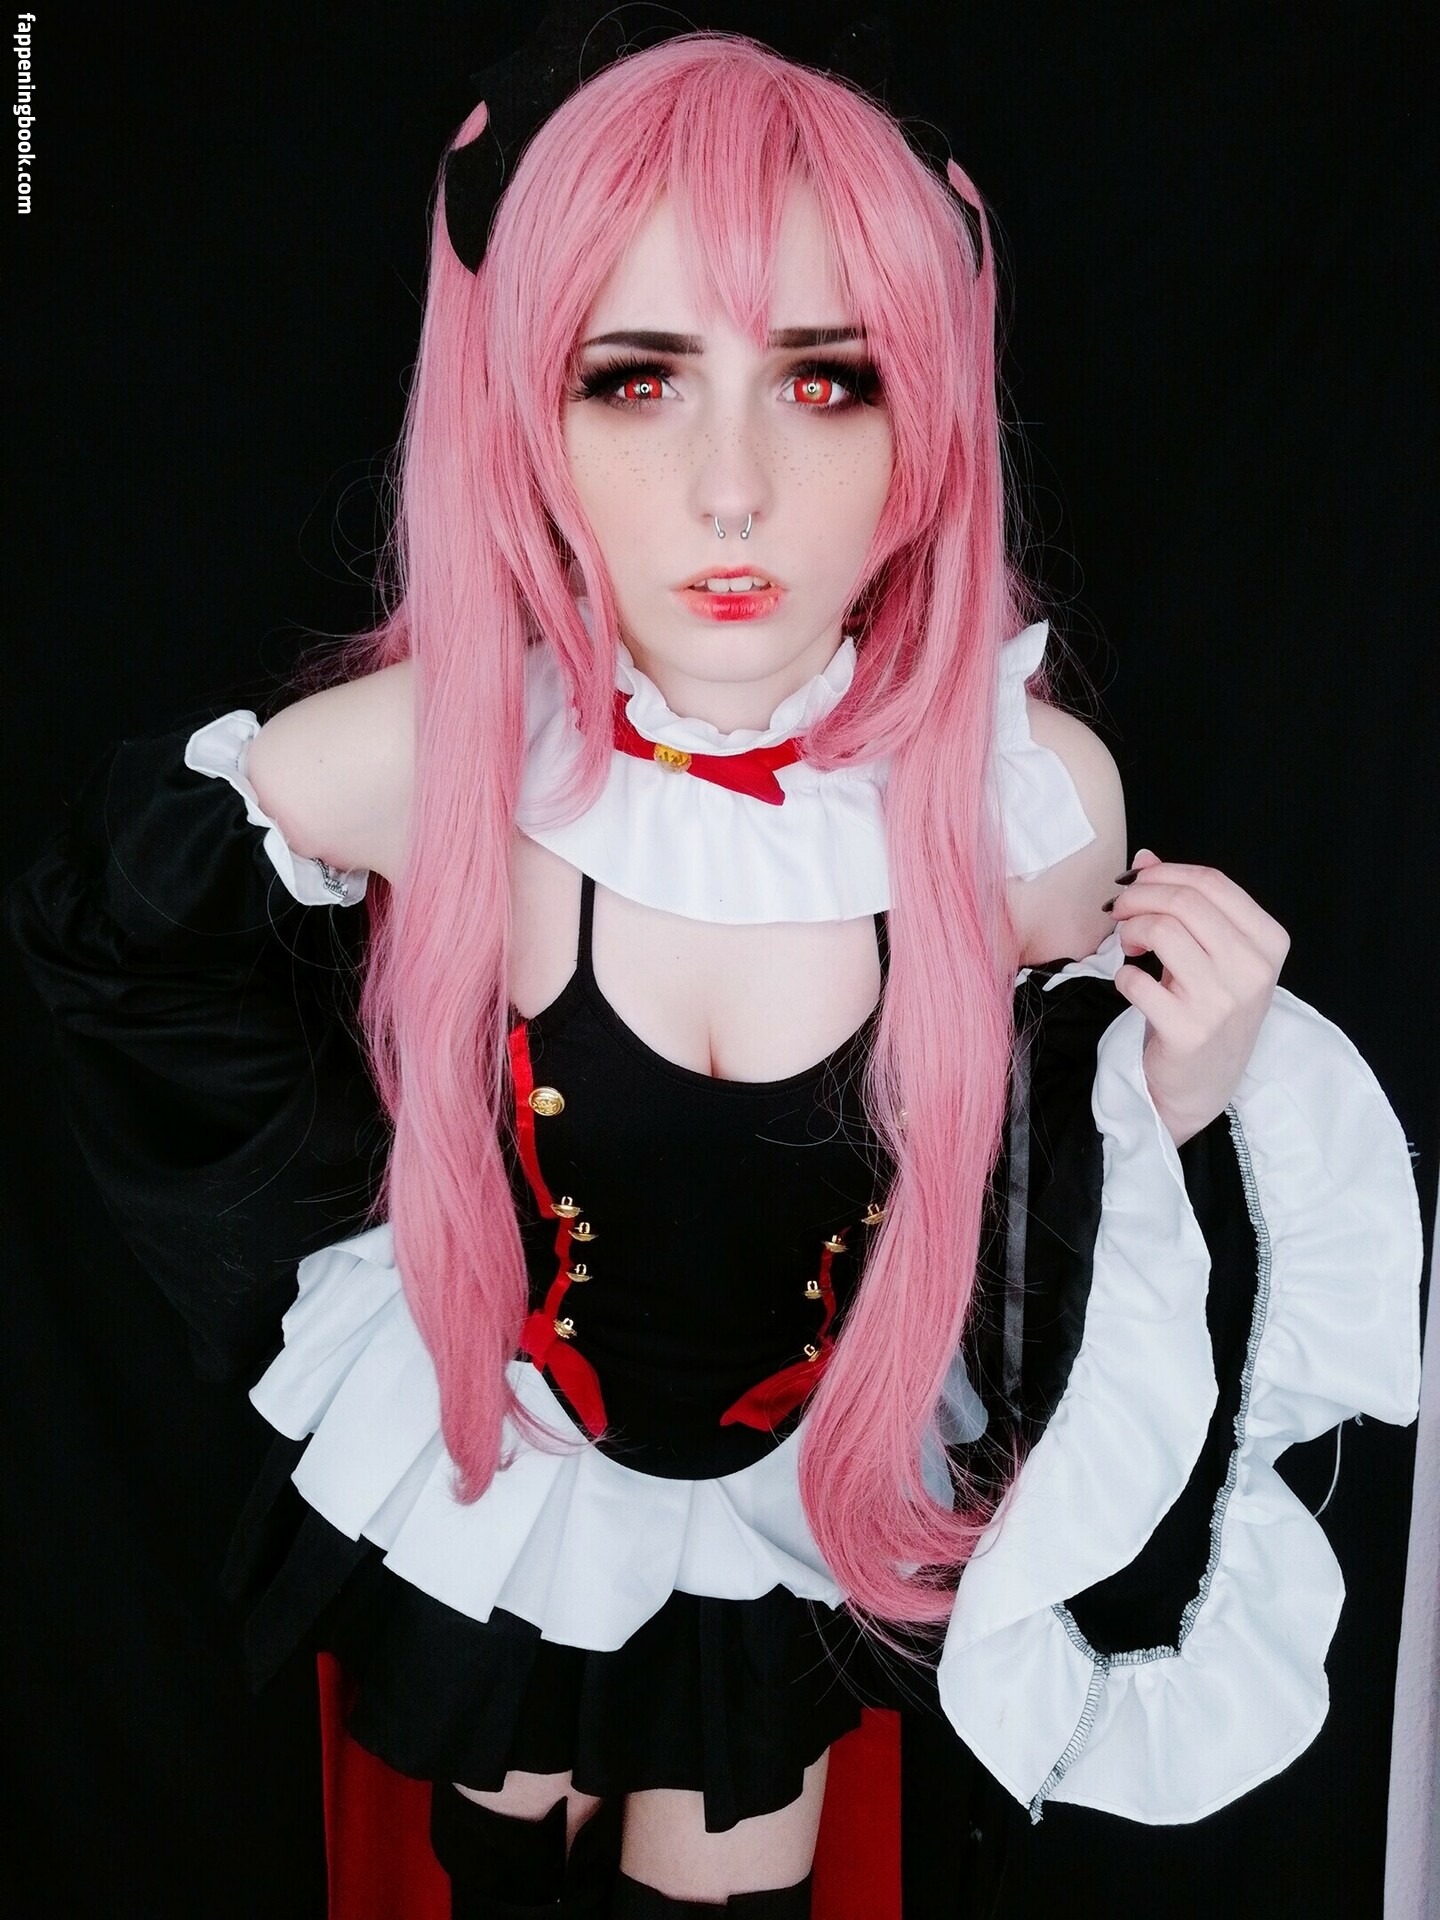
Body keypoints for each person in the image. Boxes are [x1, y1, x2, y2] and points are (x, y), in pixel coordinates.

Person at [6, 31, 1421, 1920]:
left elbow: (1022, 1221)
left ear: (924, 426)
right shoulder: (442, 759)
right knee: (498, 1856)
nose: (731, 488)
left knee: (735, 1881)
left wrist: (1170, 1101)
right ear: (527, 410)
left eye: (826, 379)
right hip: (509, 1483)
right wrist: (381, 1203)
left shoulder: (1025, 809)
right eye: (636, 378)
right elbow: (123, 943)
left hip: (792, 1518)